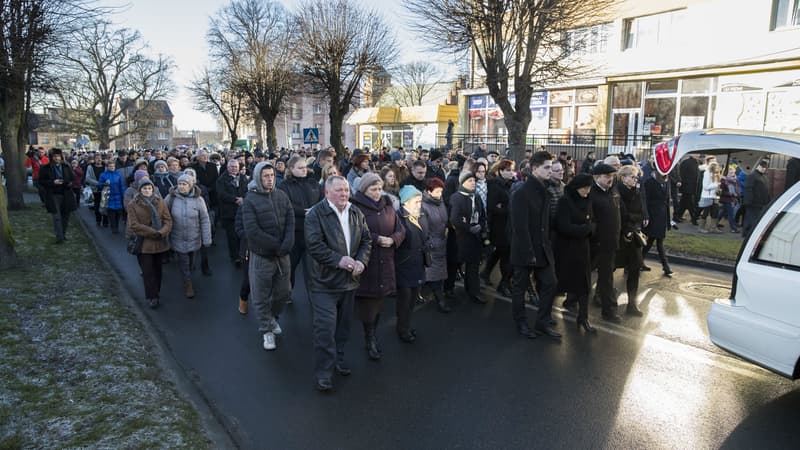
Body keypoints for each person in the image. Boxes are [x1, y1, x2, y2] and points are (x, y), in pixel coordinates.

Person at [304, 176, 371, 392]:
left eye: (346, 190)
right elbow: (314, 245)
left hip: (349, 282)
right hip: (324, 283)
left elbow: (366, 240)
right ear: (326, 193)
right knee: (325, 329)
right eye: (339, 190)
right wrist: (338, 260)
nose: (344, 194)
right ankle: (324, 373)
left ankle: (338, 359)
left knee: (343, 327)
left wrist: (362, 260)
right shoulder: (315, 214)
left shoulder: (355, 212)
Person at [351, 173, 405, 359]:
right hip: (368, 260)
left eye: (379, 189)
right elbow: (354, 231)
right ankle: (369, 338)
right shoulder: (356, 207)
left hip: (387, 258)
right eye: (372, 189)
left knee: (380, 300)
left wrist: (393, 240)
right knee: (369, 303)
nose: (377, 193)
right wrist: (376, 239)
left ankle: (372, 334)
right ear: (364, 190)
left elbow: (400, 229)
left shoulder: (387, 205)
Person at [242, 162, 295, 351]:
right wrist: (276, 245)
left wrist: (287, 243)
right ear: (258, 177)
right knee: (260, 296)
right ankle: (267, 330)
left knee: (284, 292)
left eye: (272, 175)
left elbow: (290, 219)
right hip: (262, 256)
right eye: (265, 176)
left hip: (282, 256)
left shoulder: (281, 195)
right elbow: (252, 230)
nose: (270, 179)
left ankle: (272, 318)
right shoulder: (250, 200)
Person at [509, 151, 560, 339]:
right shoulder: (521, 192)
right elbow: (519, 227)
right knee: (520, 288)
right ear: (534, 168)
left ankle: (542, 321)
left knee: (550, 283)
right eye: (546, 167)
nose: (550, 170)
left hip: (543, 248)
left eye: (551, 166)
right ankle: (521, 322)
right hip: (525, 249)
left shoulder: (544, 190)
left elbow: (545, 223)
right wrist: (528, 251)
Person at [278, 156, 323, 298]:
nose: (304, 170)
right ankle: (287, 293)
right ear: (291, 169)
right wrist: (304, 212)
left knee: (312, 269)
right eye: (300, 168)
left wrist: (314, 210)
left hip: (313, 232)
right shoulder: (284, 186)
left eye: (305, 167)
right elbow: (285, 205)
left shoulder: (313, 182)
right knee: (290, 266)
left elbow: (323, 200)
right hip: (294, 232)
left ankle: (314, 297)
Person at [555, 174, 595, 333]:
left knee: (584, 284)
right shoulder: (565, 201)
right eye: (584, 188)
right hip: (566, 249)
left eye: (589, 188)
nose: (587, 191)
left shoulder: (588, 199)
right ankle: (544, 315)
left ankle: (583, 317)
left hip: (583, 248)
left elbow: (592, 220)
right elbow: (563, 226)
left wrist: (590, 229)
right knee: (560, 283)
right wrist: (585, 229)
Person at [127, 178, 172, 309]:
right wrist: (153, 232)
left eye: (149, 188)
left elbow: (167, 220)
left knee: (158, 270)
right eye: (144, 188)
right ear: (140, 190)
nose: (147, 191)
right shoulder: (133, 204)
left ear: (153, 189)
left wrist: (162, 232)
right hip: (144, 243)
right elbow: (134, 225)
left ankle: (156, 291)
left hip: (159, 241)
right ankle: (152, 296)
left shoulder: (160, 201)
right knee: (148, 271)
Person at [165, 174, 212, 299]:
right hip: (177, 236)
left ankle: (188, 277)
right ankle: (188, 283)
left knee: (191, 261)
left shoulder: (199, 200)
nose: (181, 186)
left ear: (191, 185)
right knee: (183, 262)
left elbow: (204, 219)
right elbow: (164, 216)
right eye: (179, 184)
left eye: (184, 184)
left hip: (194, 236)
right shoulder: (171, 198)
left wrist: (206, 238)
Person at [589, 163, 622, 323]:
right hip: (595, 244)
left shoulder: (613, 191)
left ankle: (608, 310)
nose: (610, 179)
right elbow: (589, 219)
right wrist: (596, 235)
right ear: (597, 177)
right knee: (582, 273)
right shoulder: (591, 194)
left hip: (610, 243)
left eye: (612, 176)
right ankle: (572, 299)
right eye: (607, 176)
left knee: (607, 277)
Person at [449, 169, 487, 304]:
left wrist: (480, 226)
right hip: (460, 236)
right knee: (455, 263)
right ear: (462, 182)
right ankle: (448, 289)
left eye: (474, 181)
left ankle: (473, 291)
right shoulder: (456, 197)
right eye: (470, 180)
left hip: (474, 236)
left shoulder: (476, 197)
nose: (473, 183)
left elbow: (482, 215)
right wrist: (469, 227)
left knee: (473, 265)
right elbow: (454, 218)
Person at [394, 185, 426, 343]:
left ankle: (405, 324)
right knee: (405, 300)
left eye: (420, 201)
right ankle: (402, 328)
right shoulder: (398, 218)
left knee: (413, 299)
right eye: (416, 201)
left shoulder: (418, 215)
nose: (419, 205)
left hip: (417, 264)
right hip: (404, 265)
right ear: (405, 202)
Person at [616, 165, 645, 317]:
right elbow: (621, 214)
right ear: (623, 177)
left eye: (636, 177)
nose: (635, 180)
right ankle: (600, 296)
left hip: (633, 236)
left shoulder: (637, 192)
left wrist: (634, 223)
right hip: (619, 235)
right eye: (632, 177)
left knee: (634, 269)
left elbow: (638, 213)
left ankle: (632, 304)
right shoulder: (616, 192)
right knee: (609, 268)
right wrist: (629, 223)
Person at [482, 159, 515, 296]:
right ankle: (504, 283)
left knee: (500, 252)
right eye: (508, 170)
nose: (511, 172)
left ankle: (485, 273)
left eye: (512, 170)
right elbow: (492, 207)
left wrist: (504, 207)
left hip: (506, 225)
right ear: (500, 171)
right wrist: (508, 209)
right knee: (506, 254)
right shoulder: (496, 184)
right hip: (499, 226)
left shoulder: (509, 184)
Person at [420, 177, 451, 313]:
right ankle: (440, 301)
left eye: (441, 192)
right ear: (428, 191)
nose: (440, 194)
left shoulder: (440, 202)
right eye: (437, 192)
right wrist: (432, 243)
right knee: (435, 275)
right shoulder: (423, 205)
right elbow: (423, 229)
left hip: (441, 242)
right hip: (432, 245)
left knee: (436, 274)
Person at [38, 148, 76, 243]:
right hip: (53, 195)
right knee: (56, 217)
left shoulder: (66, 166)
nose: (57, 158)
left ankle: (63, 234)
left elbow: (72, 178)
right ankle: (59, 237)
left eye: (58, 156)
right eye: (55, 156)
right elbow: (41, 182)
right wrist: (52, 182)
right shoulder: (45, 168)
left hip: (66, 194)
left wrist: (68, 183)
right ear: (51, 157)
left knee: (65, 216)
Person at [217, 159, 249, 266]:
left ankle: (242, 255)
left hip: (242, 211)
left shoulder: (243, 178)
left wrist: (244, 198)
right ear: (227, 167)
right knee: (232, 237)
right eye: (232, 166)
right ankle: (235, 257)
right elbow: (221, 194)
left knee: (242, 235)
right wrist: (236, 199)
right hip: (229, 212)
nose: (234, 168)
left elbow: (247, 191)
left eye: (236, 167)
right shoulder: (221, 180)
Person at [641, 171, 673, 277]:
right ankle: (665, 265)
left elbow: (667, 201)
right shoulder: (649, 182)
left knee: (653, 240)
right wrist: (646, 216)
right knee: (655, 240)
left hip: (662, 215)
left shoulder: (667, 182)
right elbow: (645, 200)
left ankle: (639, 261)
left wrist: (669, 220)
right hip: (653, 215)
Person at [96, 159, 127, 234]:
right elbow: (99, 184)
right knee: (111, 213)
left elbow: (122, 185)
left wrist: (124, 195)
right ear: (107, 167)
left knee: (118, 213)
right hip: (108, 196)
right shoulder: (103, 175)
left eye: (113, 166)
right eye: (110, 166)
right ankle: (114, 228)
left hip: (118, 196)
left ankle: (117, 226)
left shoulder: (118, 174)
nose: (112, 167)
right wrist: (104, 184)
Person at [742, 160, 770, 238]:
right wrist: (748, 201)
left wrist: (767, 200)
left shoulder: (764, 177)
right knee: (751, 218)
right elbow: (748, 188)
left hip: (761, 202)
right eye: (762, 167)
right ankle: (748, 234)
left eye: (765, 167)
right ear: (757, 166)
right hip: (753, 202)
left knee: (753, 218)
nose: (764, 168)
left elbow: (766, 189)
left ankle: (749, 233)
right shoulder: (752, 175)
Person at [698, 161, 721, 234]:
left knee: (715, 212)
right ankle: (701, 228)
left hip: (714, 196)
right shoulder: (707, 174)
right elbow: (705, 186)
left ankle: (713, 227)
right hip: (707, 196)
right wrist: (716, 185)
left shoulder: (715, 174)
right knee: (705, 212)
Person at [676, 155, 700, 225]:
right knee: (690, 203)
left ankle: (677, 216)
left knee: (684, 203)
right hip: (688, 186)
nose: (699, 156)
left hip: (687, 186)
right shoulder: (690, 163)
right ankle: (693, 218)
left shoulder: (688, 162)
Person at [85, 156, 108, 227]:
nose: (99, 159)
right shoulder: (90, 167)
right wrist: (98, 183)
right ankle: (98, 220)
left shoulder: (105, 167)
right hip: (95, 189)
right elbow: (88, 178)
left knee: (105, 205)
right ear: (94, 160)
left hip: (104, 189)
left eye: (100, 158)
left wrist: (106, 182)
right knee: (97, 206)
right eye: (97, 158)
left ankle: (105, 221)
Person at [717, 165, 740, 233]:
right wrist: (732, 194)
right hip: (726, 199)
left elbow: (738, 188)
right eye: (729, 170)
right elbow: (722, 191)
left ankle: (714, 224)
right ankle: (733, 228)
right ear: (726, 171)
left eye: (732, 169)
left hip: (733, 198)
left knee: (723, 212)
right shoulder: (723, 180)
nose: (731, 171)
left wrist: (737, 194)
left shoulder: (736, 179)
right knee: (731, 213)